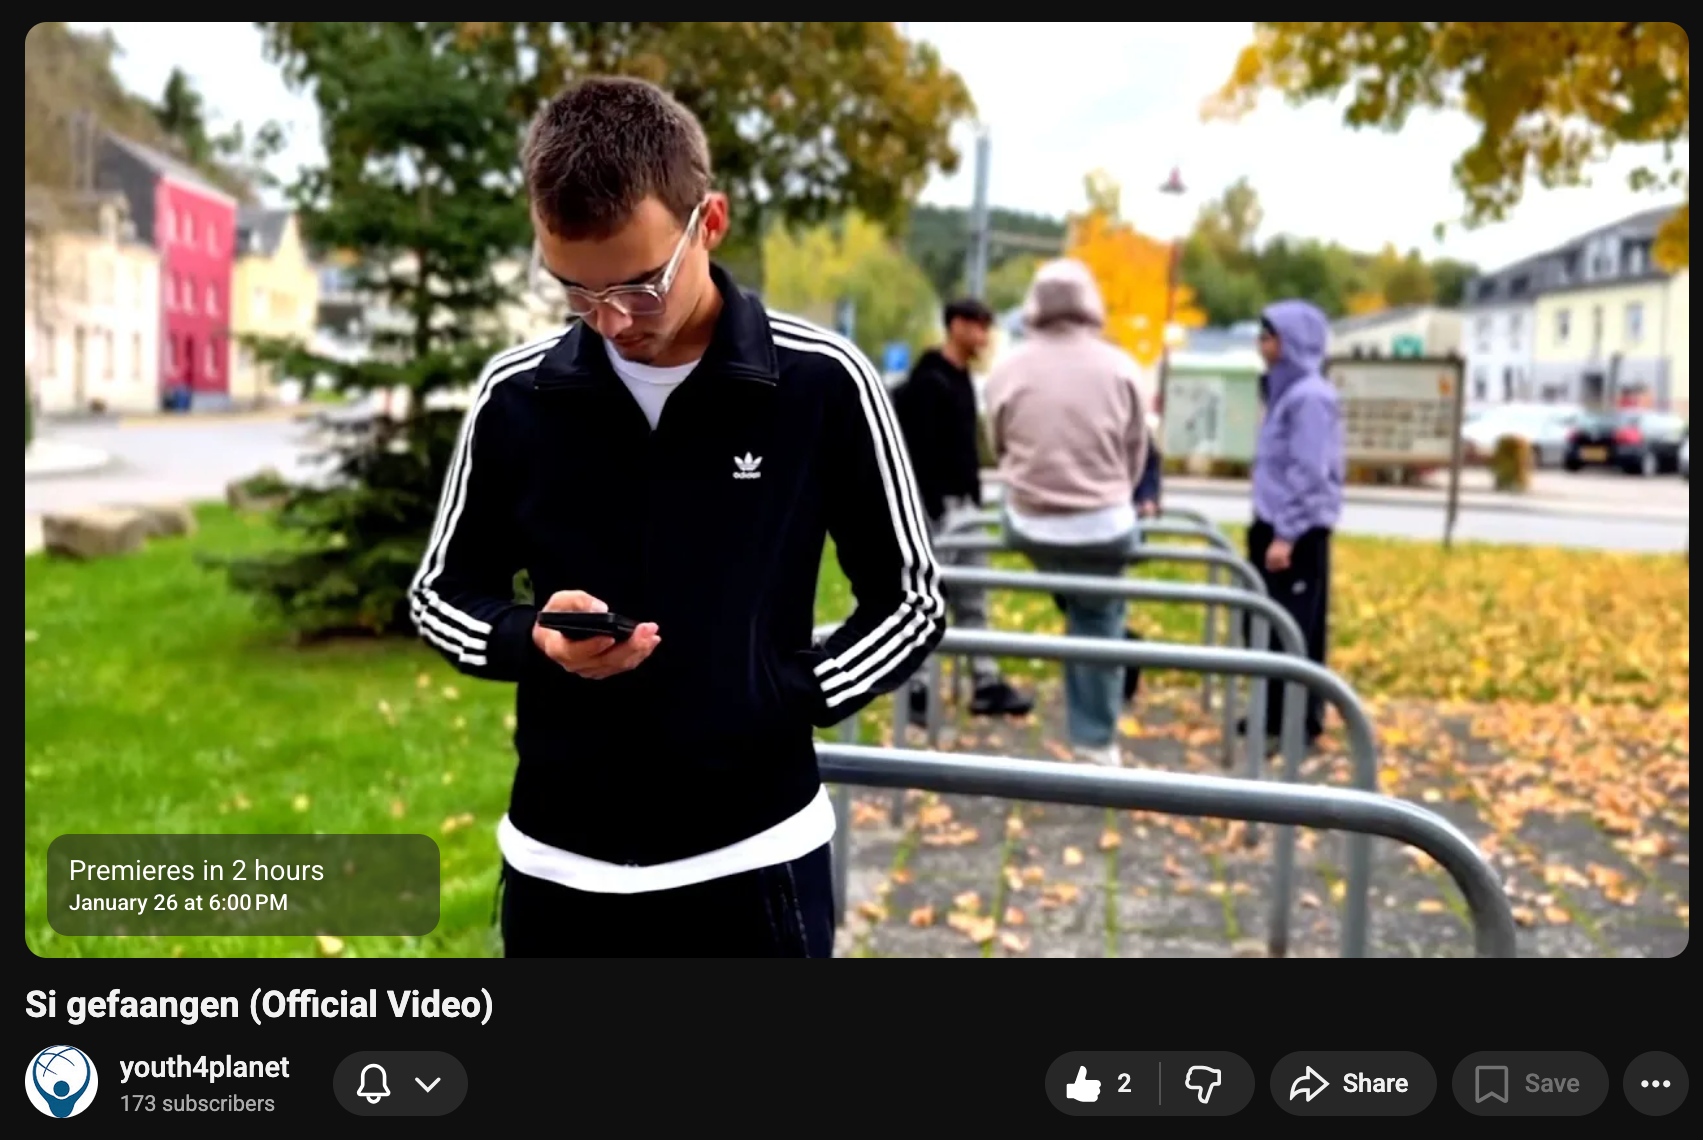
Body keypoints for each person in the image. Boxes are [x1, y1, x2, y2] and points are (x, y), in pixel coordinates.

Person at [410, 76, 945, 957]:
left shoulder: (819, 382)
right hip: (559, 871)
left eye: (641, 286)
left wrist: (792, 692)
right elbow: (439, 594)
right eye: (575, 292)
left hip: (755, 866)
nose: (612, 320)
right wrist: (530, 638)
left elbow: (911, 601)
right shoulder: (517, 394)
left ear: (711, 222)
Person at [984, 258, 1149, 767]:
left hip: (1029, 520)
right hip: (1103, 522)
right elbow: (1136, 451)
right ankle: (1095, 743)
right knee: (1099, 616)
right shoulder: (1121, 366)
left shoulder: (1008, 368)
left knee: (1076, 589)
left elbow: (998, 442)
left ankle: (1074, 600)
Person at [891, 298, 1033, 726]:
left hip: (965, 508)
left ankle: (985, 682)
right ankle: (916, 687)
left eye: (987, 326)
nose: (984, 335)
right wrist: (933, 508)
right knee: (926, 598)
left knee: (973, 598)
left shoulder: (961, 378)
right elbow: (917, 454)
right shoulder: (929, 381)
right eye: (977, 325)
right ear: (956, 325)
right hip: (938, 511)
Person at [1243, 300, 1345, 748]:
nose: (1261, 345)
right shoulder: (1285, 393)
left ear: (1290, 342)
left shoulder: (1309, 398)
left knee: (1295, 631)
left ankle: (1299, 721)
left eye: (1268, 337)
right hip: (1273, 523)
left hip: (1295, 534)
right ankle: (1271, 714)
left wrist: (1286, 534)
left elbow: (1310, 472)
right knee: (1267, 627)